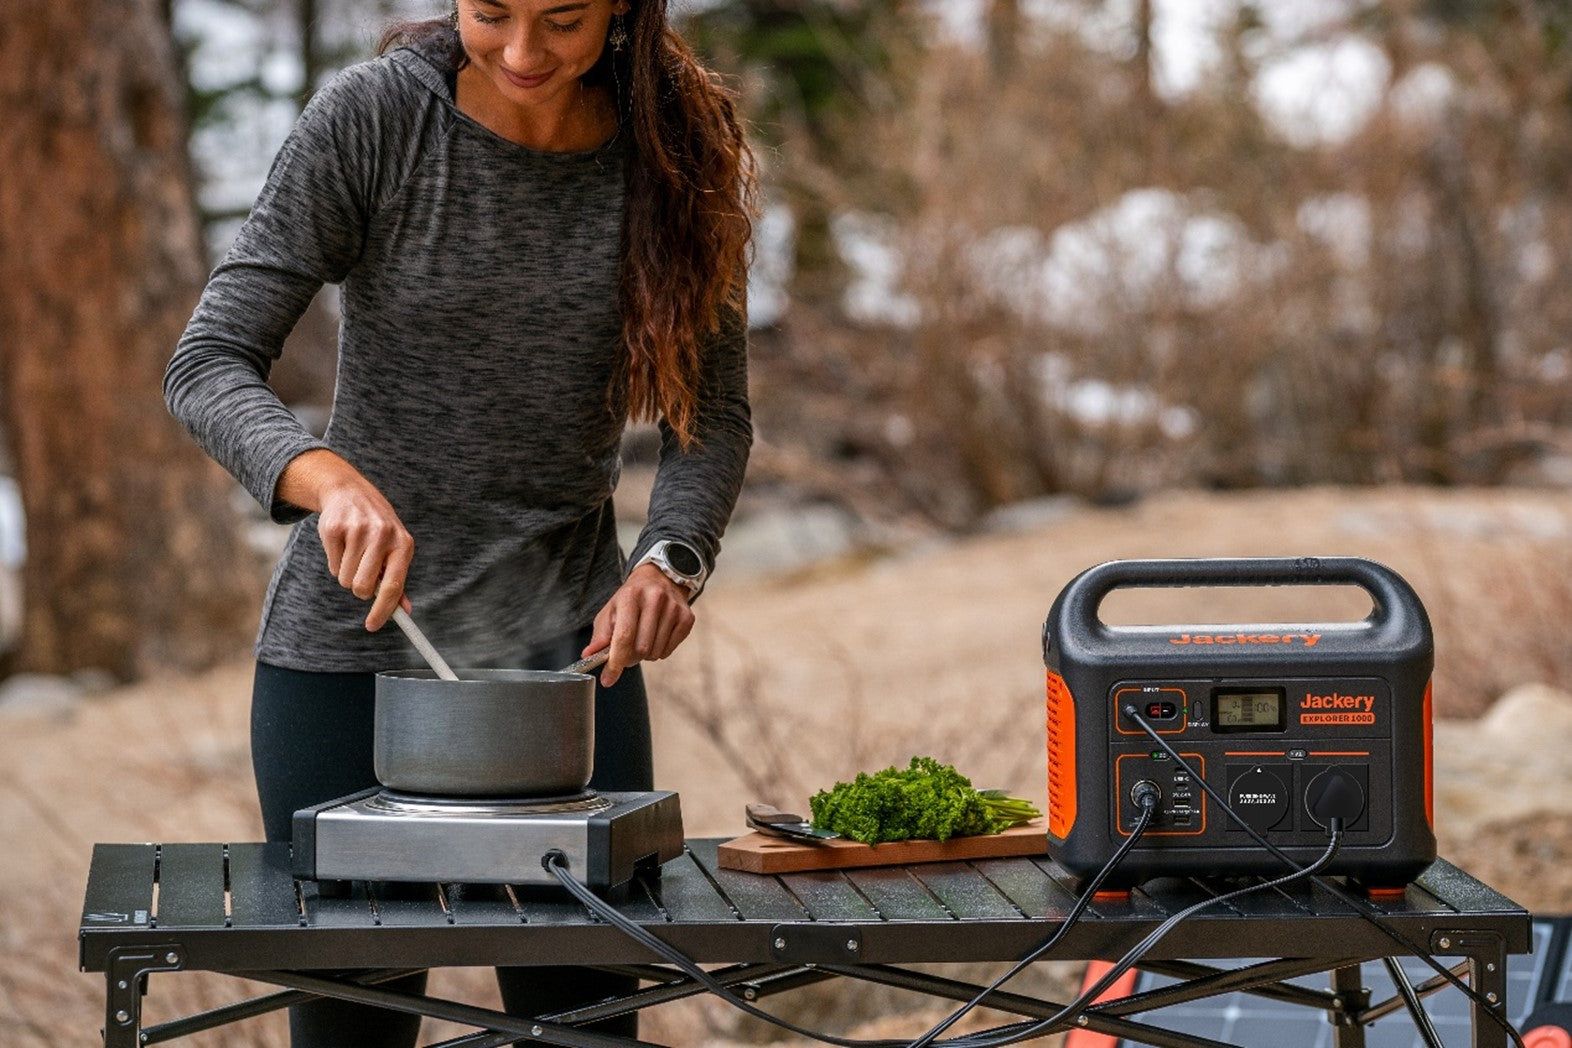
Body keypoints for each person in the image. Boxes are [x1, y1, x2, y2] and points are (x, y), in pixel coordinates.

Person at [164, 0, 755, 1043]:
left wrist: (672, 559)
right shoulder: (375, 120)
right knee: (356, 1026)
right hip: (348, 665)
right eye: (492, 12)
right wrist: (320, 476)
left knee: (585, 1024)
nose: (524, 52)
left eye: (564, 20)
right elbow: (208, 361)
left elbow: (710, 415)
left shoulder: (672, 154)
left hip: (571, 672)